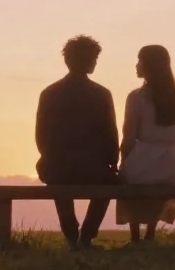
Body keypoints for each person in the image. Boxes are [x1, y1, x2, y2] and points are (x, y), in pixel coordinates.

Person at [35, 35, 119, 250]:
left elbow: (41, 137)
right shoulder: (101, 94)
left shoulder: (49, 93)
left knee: (57, 177)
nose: (95, 63)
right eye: (94, 59)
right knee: (110, 183)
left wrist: (49, 156)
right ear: (89, 61)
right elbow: (111, 135)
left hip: (57, 168)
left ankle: (71, 233)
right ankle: (87, 235)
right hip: (93, 168)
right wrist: (112, 162)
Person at [116, 44, 175, 244]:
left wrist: (123, 162)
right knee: (158, 178)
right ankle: (150, 232)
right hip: (173, 165)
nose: (136, 65)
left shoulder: (136, 97)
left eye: (139, 61)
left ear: (148, 65)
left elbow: (128, 137)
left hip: (143, 159)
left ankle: (134, 235)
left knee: (129, 176)